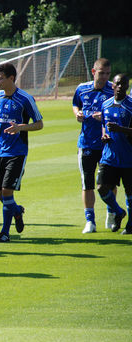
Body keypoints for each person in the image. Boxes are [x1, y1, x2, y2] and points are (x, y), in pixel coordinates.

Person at [0, 62, 44, 242]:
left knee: (7, 191)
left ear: (11, 78)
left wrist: (20, 128)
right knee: (0, 195)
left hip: (17, 152)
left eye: (0, 79)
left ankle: (4, 233)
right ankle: (17, 211)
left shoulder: (25, 98)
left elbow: (39, 123)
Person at [72, 58, 116, 233]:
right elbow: (76, 103)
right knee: (87, 183)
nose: (105, 77)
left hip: (108, 144)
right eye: (101, 73)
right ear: (93, 72)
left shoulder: (114, 89)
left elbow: (122, 112)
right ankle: (90, 221)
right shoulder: (82, 88)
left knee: (110, 183)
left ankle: (111, 213)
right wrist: (78, 113)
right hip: (87, 143)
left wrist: (105, 117)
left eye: (107, 73)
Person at [97, 73, 132, 234]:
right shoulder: (106, 104)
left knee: (129, 192)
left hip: (128, 157)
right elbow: (105, 125)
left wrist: (121, 129)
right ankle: (118, 212)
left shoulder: (131, 105)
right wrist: (104, 135)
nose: (119, 87)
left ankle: (130, 224)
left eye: (123, 84)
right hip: (109, 155)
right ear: (112, 86)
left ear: (127, 87)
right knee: (101, 187)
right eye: (117, 84)